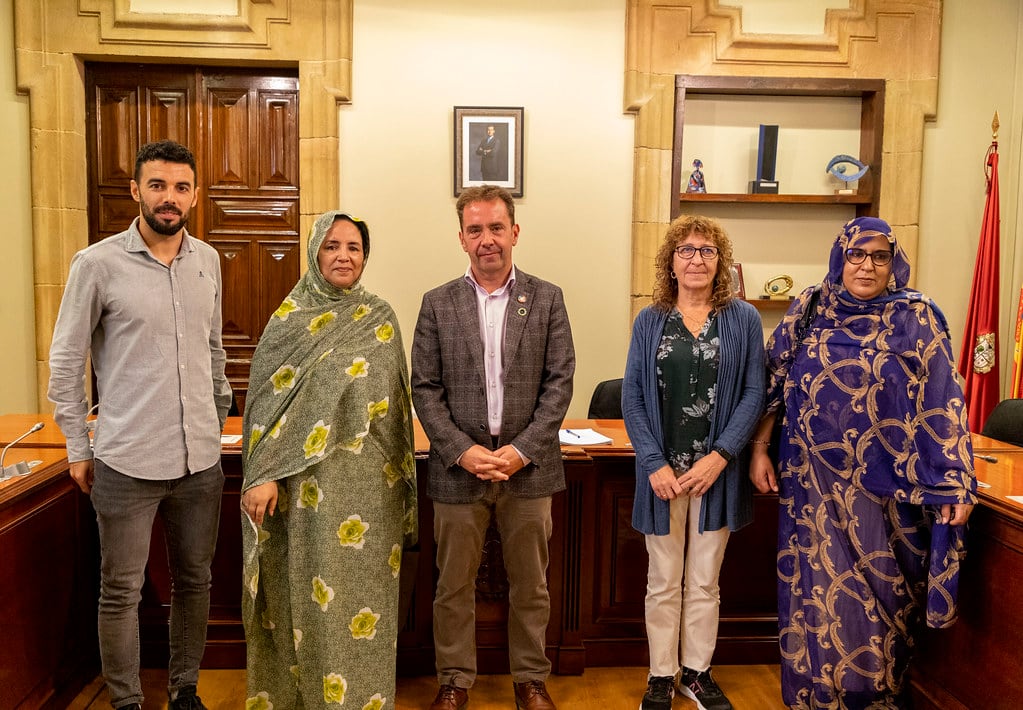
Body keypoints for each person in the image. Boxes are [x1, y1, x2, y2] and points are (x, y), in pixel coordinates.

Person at [748, 216, 977, 709]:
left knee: (879, 596)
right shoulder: (810, 306)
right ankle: (813, 696)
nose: (867, 266)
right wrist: (760, 448)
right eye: (857, 254)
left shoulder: (917, 317)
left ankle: (872, 697)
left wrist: (956, 479)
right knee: (814, 589)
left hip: (886, 488)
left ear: (893, 262)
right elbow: (774, 382)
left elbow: (944, 398)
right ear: (840, 256)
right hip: (812, 482)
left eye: (879, 256)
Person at [48, 139, 232, 710]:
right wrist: (79, 446)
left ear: (195, 194)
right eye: (157, 185)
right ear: (136, 191)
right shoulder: (97, 264)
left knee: (195, 584)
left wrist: (216, 412)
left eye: (180, 187)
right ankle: (127, 701)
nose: (169, 198)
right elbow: (64, 361)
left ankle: (184, 691)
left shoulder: (208, 261)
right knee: (121, 591)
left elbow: (214, 349)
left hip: (200, 462)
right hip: (126, 460)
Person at [240, 211, 417, 710]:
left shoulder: (380, 317)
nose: (344, 255)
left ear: (365, 256)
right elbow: (265, 406)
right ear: (316, 252)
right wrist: (265, 471)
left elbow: (396, 408)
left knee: (365, 605)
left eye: (354, 247)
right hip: (304, 491)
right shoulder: (289, 320)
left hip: (368, 489)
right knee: (308, 599)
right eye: (333, 246)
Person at [411, 185, 575, 710]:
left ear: (515, 233)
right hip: (459, 472)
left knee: (531, 585)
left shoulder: (547, 298)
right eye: (476, 230)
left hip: (528, 471)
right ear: (461, 238)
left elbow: (560, 383)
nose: (487, 240)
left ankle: (530, 679)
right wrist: (462, 451)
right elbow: (424, 388)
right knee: (452, 586)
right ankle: (454, 681)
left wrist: (521, 451)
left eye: (496, 228)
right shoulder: (437, 303)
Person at [622, 215, 765, 710]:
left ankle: (697, 673)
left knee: (705, 580)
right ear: (671, 262)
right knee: (662, 581)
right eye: (686, 250)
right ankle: (662, 674)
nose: (696, 258)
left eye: (706, 250)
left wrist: (720, 457)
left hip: (714, 477)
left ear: (720, 260)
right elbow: (633, 398)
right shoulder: (650, 319)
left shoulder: (743, 319)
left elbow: (754, 393)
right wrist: (654, 463)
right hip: (661, 476)